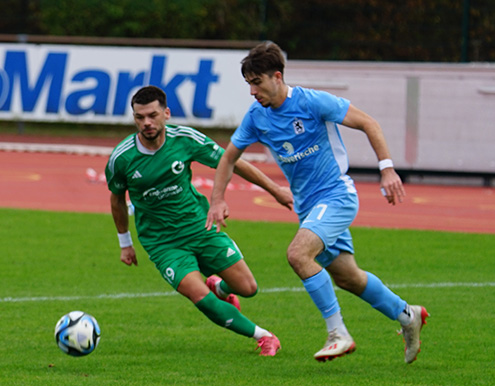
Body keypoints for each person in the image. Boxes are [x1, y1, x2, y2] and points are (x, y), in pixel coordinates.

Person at [206, 42, 429, 364]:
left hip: (336, 195)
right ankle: (408, 315)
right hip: (310, 208)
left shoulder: (312, 102)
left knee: (298, 254)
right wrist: (217, 200)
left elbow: (369, 123)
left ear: (277, 76)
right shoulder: (257, 117)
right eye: (248, 84)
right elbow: (228, 158)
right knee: (348, 277)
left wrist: (387, 168)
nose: (252, 91)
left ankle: (338, 333)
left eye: (257, 82)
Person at [105, 85, 293, 356]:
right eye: (139, 117)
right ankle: (264, 336)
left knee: (248, 288)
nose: (146, 122)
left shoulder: (185, 139)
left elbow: (232, 161)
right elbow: (116, 199)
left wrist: (275, 190)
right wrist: (125, 243)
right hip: (162, 242)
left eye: (152, 115)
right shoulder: (122, 159)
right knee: (198, 295)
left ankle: (219, 285)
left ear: (166, 113)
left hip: (200, 226)